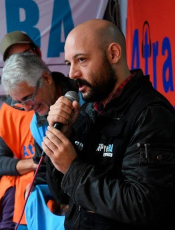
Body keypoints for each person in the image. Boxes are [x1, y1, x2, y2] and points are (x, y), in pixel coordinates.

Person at [43, 19, 175, 230]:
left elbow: (143, 206)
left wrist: (72, 167)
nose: (72, 74)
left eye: (82, 60)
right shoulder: (86, 110)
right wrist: (62, 137)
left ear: (113, 54)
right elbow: (62, 195)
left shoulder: (150, 114)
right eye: (70, 64)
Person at [1, 52, 78, 227]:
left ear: (46, 78)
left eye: (28, 98)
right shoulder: (36, 123)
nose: (28, 108)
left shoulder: (85, 99)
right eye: (20, 103)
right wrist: (36, 185)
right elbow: (42, 168)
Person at [0, 31, 43, 229]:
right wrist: (36, 163)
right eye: (14, 59)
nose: (22, 63)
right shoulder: (9, 110)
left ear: (37, 52)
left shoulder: (64, 93)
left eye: (26, 54)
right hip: (27, 206)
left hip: (65, 200)